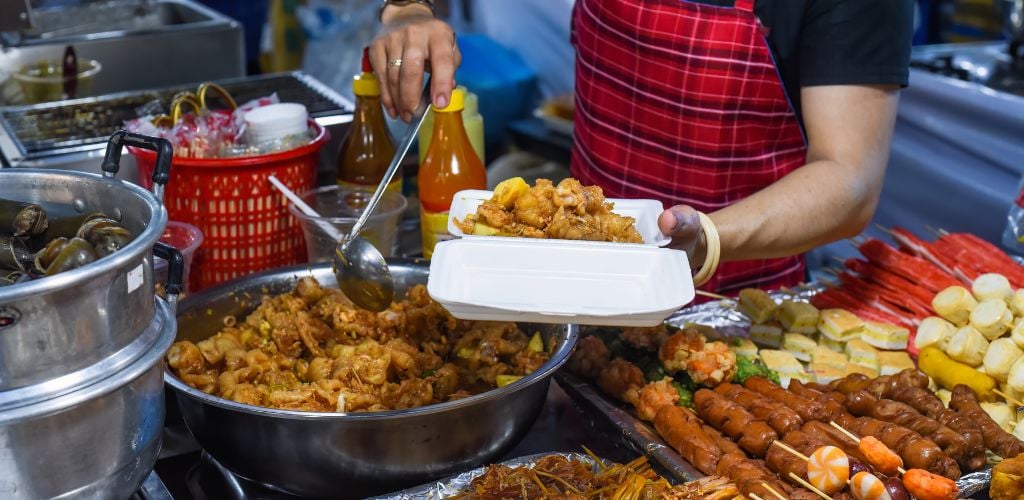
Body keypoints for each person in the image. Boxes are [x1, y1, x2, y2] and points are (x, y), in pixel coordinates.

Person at [370, 0, 914, 293]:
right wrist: (410, 10)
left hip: (729, 309)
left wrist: (709, 240)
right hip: (567, 284)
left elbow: (849, 177)